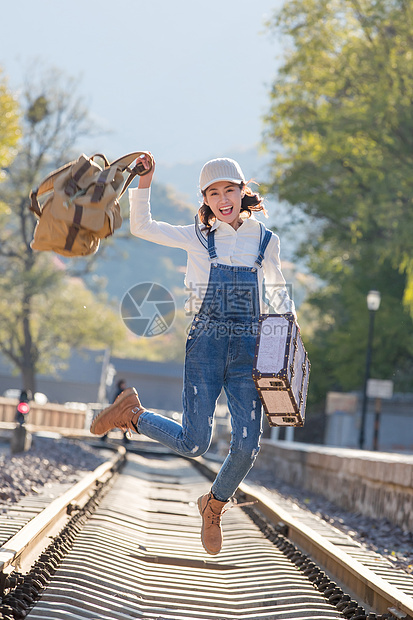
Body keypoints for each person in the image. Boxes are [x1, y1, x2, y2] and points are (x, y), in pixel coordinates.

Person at [90, 155, 296, 554]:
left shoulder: (267, 242)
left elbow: (279, 298)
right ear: (205, 198)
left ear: (242, 192)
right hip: (206, 343)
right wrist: (145, 182)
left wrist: (286, 350)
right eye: (213, 193)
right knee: (193, 443)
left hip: (249, 351)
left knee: (248, 444)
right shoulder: (199, 237)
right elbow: (142, 226)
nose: (223, 199)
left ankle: (213, 505)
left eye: (229, 190)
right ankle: (132, 414)